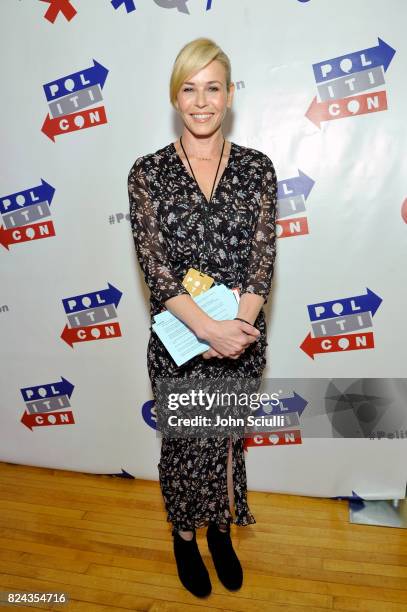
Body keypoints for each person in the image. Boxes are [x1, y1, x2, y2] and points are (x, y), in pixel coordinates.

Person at [128, 37, 277, 598]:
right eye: (188, 89)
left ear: (229, 95)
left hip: (241, 337)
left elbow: (262, 264)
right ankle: (185, 536)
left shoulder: (258, 170)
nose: (201, 101)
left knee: (223, 440)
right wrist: (207, 330)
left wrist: (235, 332)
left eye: (212, 87)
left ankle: (221, 532)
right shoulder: (148, 173)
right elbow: (156, 269)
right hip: (179, 342)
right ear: (175, 97)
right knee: (185, 444)